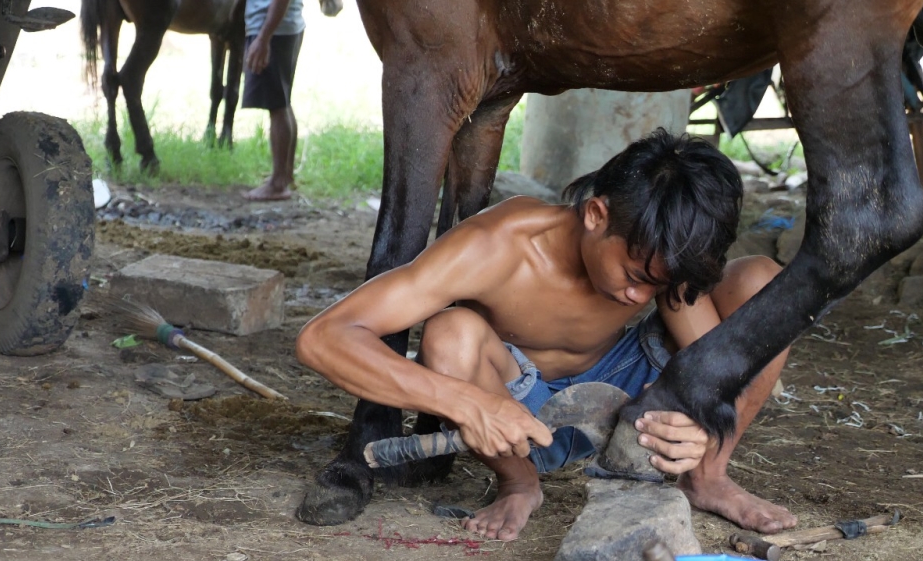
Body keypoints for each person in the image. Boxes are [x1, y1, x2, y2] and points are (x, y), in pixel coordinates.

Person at [296, 129, 798, 542]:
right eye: (635, 276)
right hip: (517, 417)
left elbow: (718, 366)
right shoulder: (497, 246)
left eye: (658, 284)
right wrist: (469, 403)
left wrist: (703, 421)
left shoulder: (657, 255)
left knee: (764, 284)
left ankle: (707, 476)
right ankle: (519, 485)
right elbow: (322, 338)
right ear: (596, 215)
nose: (640, 298)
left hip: (628, 397)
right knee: (450, 332)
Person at [242, 0, 305, 201]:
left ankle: (278, 184)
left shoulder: (268, 34)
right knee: (282, 102)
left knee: (277, 106)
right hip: (281, 26)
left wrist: (263, 38)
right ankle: (285, 175)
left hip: (273, 29)